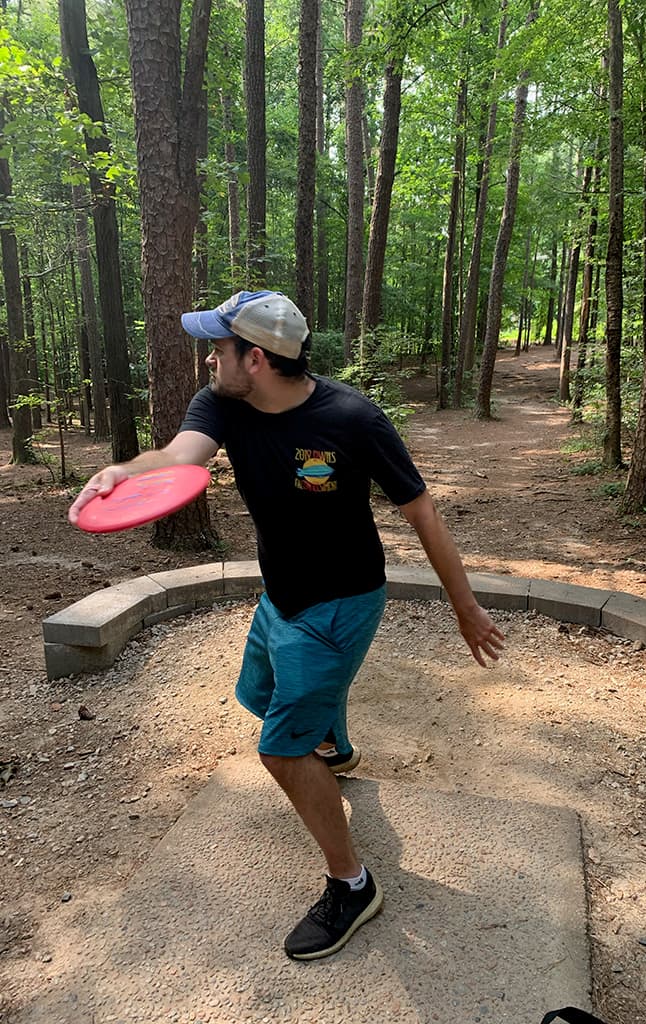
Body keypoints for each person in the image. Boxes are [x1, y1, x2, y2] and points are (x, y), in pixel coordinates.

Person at [69, 290, 505, 961]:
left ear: (257, 357)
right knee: (262, 697)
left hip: (342, 604)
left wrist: (465, 607)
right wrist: (120, 473)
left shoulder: (352, 419)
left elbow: (423, 514)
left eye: (218, 345)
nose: (208, 355)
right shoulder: (222, 402)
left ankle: (352, 884)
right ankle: (334, 747)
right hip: (281, 597)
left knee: (279, 749)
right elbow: (180, 457)